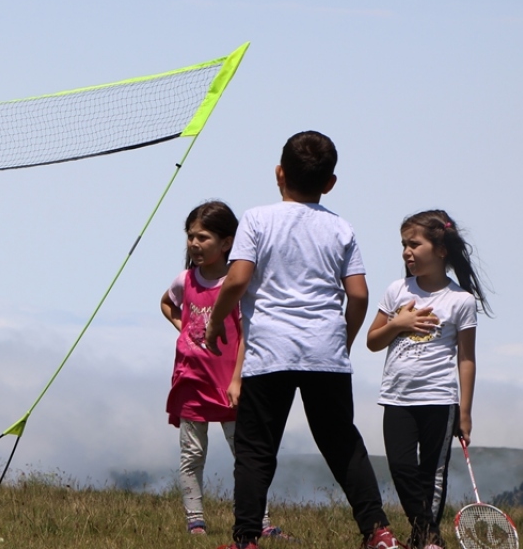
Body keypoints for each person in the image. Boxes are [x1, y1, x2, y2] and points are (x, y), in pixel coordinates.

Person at [203, 131, 401, 549]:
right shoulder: (340, 228)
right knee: (342, 443)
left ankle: (246, 540)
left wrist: (217, 320)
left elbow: (237, 280)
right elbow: (360, 294)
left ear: (279, 173)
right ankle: (378, 532)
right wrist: (341, 340)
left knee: (256, 450)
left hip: (269, 352)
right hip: (324, 351)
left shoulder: (257, 220)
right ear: (329, 183)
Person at [161, 201, 290, 539]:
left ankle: (259, 523)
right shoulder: (185, 280)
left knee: (245, 456)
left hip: (229, 384)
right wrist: (186, 330)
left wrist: (237, 380)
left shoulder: (238, 286)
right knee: (192, 454)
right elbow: (167, 303)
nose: (194, 244)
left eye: (203, 237)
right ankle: (195, 522)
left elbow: (248, 333)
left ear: (227, 243)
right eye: (191, 237)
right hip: (190, 381)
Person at [367, 210, 487, 549]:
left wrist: (465, 411)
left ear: (441, 250)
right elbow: (373, 341)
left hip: (439, 399)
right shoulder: (396, 290)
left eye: (414, 244)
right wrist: (397, 324)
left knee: (432, 474)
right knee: (402, 467)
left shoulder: (460, 301)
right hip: (396, 398)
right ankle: (427, 533)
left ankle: (426, 538)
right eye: (404, 244)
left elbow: (466, 358)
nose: (407, 251)